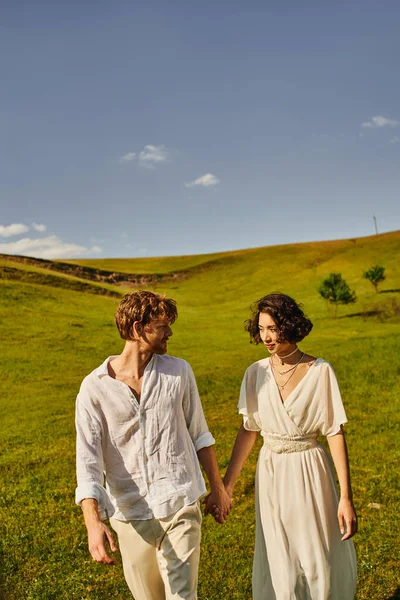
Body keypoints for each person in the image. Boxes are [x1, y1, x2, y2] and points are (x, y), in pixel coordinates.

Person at [75, 290, 231, 600]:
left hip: (180, 500)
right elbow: (88, 462)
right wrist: (94, 523)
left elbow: (199, 433)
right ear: (137, 329)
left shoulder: (178, 372)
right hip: (130, 513)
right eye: (162, 326)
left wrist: (218, 487)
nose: (170, 332)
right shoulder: (94, 388)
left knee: (183, 596)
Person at [220, 292, 357, 600]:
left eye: (272, 328)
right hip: (271, 471)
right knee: (278, 552)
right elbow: (248, 430)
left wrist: (345, 497)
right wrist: (227, 485)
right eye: (261, 329)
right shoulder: (255, 373)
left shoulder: (320, 371)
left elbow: (335, 432)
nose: (265, 336)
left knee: (316, 552)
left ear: (290, 325)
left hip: (309, 469)